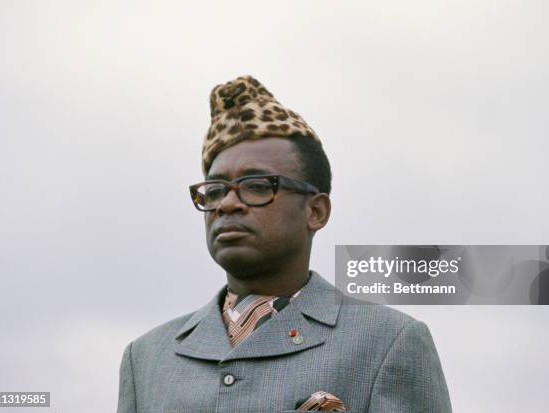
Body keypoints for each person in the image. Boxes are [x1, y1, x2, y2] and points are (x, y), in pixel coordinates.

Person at [117, 75, 452, 412]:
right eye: (215, 190)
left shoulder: (388, 342)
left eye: (258, 186)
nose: (227, 204)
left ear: (316, 211)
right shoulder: (145, 359)